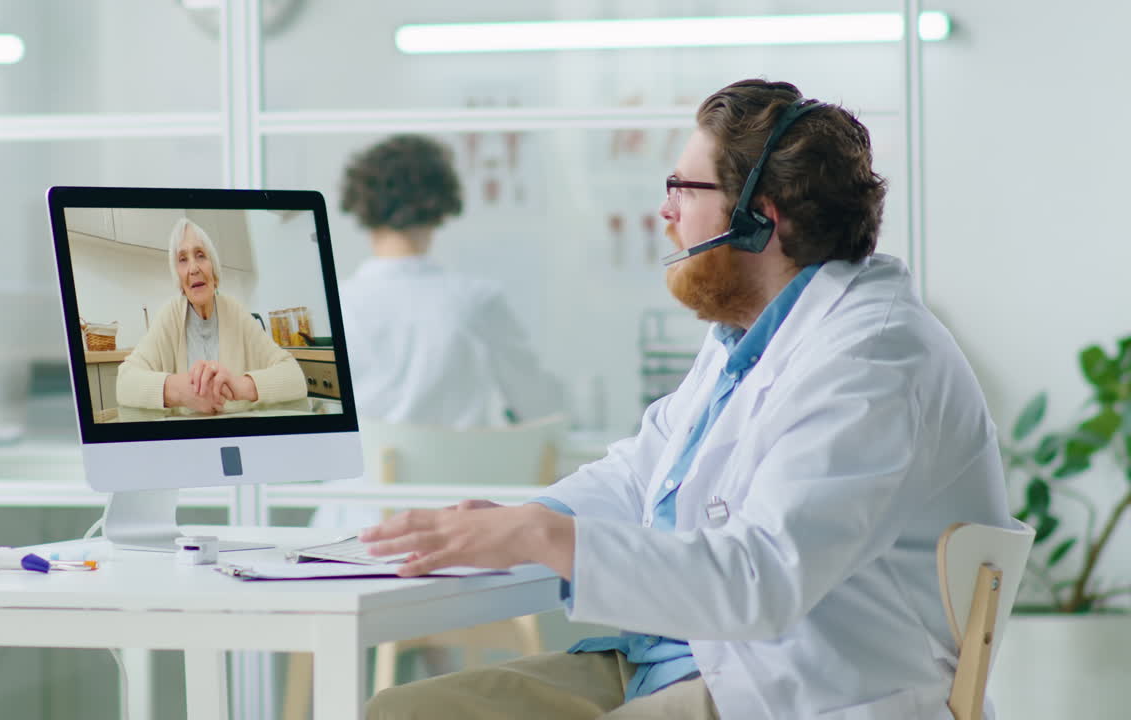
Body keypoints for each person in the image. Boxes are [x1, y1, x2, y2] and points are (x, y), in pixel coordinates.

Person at [360, 79, 1013, 720]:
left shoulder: (872, 358)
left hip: (793, 687)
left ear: (762, 219)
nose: (665, 213)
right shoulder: (749, 334)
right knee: (405, 709)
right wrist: (515, 519)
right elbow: (641, 471)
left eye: (683, 189)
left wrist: (541, 535)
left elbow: (762, 577)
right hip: (675, 662)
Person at [311, 134, 562, 529]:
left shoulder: (335, 305)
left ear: (360, 206)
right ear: (442, 204)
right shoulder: (475, 300)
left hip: (356, 520)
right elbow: (540, 405)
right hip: (463, 520)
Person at [116, 217, 307, 417]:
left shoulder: (236, 313)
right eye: (183, 259)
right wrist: (179, 391)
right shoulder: (170, 316)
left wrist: (240, 386)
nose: (193, 268)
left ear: (214, 273)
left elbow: (295, 376)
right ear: (179, 280)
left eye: (200, 255)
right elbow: (125, 382)